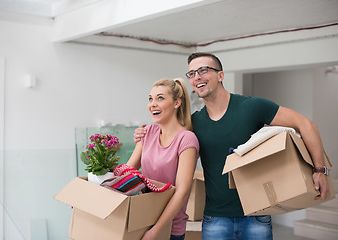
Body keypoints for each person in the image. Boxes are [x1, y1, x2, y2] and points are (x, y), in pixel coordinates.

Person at [134, 52, 331, 240]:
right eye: (192, 73)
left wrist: (320, 170)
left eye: (203, 70)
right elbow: (169, 139)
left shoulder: (251, 107)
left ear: (220, 75)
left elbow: (306, 124)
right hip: (215, 218)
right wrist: (143, 135)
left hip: (256, 215)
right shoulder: (194, 123)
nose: (197, 77)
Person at [126, 78, 199, 240]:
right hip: (143, 222)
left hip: (170, 230)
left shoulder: (187, 139)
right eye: (150, 99)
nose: (152, 104)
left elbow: (182, 191)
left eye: (160, 98)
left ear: (176, 103)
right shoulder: (148, 132)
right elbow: (127, 172)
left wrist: (155, 231)